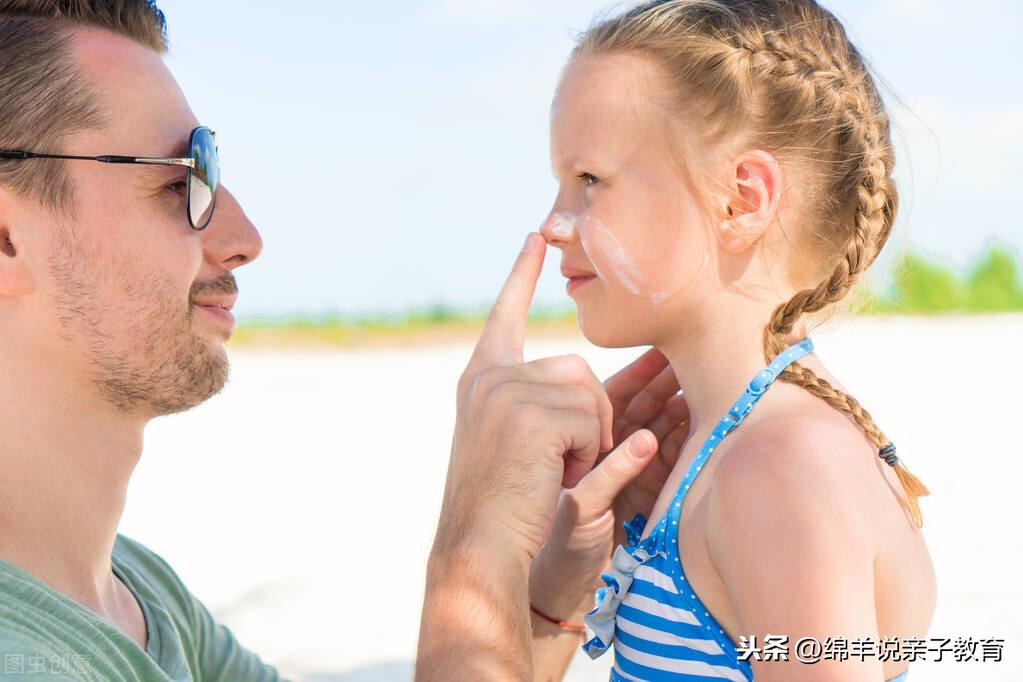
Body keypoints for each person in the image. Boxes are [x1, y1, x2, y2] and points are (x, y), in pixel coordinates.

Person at [0, 2, 686, 680]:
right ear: (7, 239)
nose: (245, 240)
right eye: (184, 179)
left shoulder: (135, 594)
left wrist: (544, 597)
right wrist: (474, 545)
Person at [526, 0, 939, 680]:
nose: (552, 225)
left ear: (741, 200)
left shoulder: (776, 467)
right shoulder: (732, 445)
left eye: (590, 180)